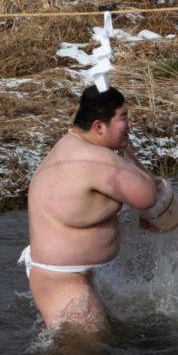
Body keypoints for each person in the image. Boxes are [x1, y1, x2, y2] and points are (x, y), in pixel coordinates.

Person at [22, 85, 159, 335]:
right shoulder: (92, 158)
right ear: (98, 126)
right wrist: (127, 151)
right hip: (63, 279)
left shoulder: (73, 144)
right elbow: (148, 194)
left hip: (73, 273)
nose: (130, 125)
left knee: (102, 350)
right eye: (124, 118)